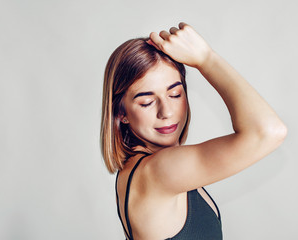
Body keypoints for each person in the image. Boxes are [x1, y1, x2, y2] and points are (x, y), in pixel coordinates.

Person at [100, 22, 287, 240]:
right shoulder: (158, 172)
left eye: (175, 94)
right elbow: (268, 131)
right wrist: (206, 59)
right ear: (121, 113)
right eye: (147, 102)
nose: (166, 112)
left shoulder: (142, 170)